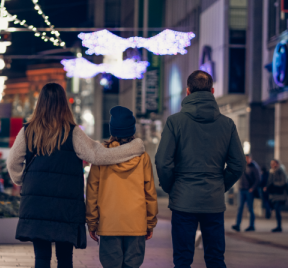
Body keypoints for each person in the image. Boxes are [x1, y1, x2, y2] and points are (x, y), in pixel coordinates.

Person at [7, 83, 146, 268]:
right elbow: (97, 155)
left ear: (40, 103)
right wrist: (134, 147)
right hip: (66, 205)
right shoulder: (72, 132)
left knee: (41, 257)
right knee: (65, 258)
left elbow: (12, 161)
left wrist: (21, 179)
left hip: (36, 203)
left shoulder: (27, 131)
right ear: (64, 104)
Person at [154, 70, 246, 268]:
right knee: (215, 259)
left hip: (183, 201)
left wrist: (173, 187)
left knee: (182, 259)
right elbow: (238, 164)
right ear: (212, 91)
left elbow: (163, 161)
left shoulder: (175, 122)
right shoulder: (227, 124)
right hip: (213, 201)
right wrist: (220, 184)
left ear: (187, 92)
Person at [86, 106, 158, 268]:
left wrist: (92, 222)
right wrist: (150, 222)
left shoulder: (100, 157)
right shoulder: (143, 157)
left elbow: (92, 191)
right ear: (132, 130)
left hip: (108, 223)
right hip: (136, 224)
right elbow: (150, 193)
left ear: (112, 130)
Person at [232, 155, 261, 232]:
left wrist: (252, 188)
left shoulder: (254, 167)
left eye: (247, 159)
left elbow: (258, 179)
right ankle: (237, 225)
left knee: (250, 208)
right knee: (240, 208)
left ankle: (252, 225)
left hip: (249, 190)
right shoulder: (243, 166)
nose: (246, 160)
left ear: (251, 159)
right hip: (242, 190)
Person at [264, 159, 288, 233]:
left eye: (273, 164)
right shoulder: (272, 171)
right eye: (271, 164)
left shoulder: (281, 171)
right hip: (274, 194)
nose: (272, 165)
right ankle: (278, 226)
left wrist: (275, 184)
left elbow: (283, 182)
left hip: (280, 194)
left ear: (277, 164)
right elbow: (269, 182)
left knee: (277, 209)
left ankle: (279, 226)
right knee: (276, 209)